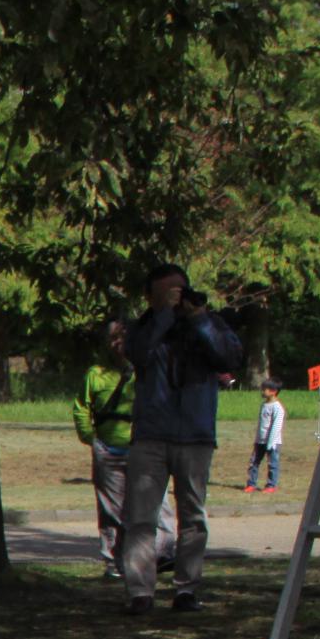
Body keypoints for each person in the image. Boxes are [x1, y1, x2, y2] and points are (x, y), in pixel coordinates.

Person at [121, 263, 242, 614]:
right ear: (151, 296)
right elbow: (138, 354)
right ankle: (140, 592)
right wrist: (162, 317)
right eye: (168, 292)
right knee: (141, 517)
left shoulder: (209, 323)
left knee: (193, 517)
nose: (177, 297)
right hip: (151, 435)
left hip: (195, 435)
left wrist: (199, 319)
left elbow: (229, 358)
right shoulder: (144, 327)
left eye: (181, 290)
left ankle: (187, 590)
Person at [73, 318, 172, 576]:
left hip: (143, 446)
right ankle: (113, 563)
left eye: (124, 338)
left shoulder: (149, 370)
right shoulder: (95, 374)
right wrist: (91, 439)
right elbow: (82, 408)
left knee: (157, 505)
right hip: (108, 450)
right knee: (111, 511)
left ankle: (159, 555)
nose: (119, 345)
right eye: (114, 339)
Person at [246, 378, 285, 492]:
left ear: (273, 391)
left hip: (273, 442)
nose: (262, 391)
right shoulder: (264, 405)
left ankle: (271, 485)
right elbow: (261, 424)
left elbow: (276, 426)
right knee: (254, 462)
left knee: (272, 464)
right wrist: (257, 439)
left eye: (264, 389)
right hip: (260, 441)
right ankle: (251, 484)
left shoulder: (277, 407)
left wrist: (271, 442)